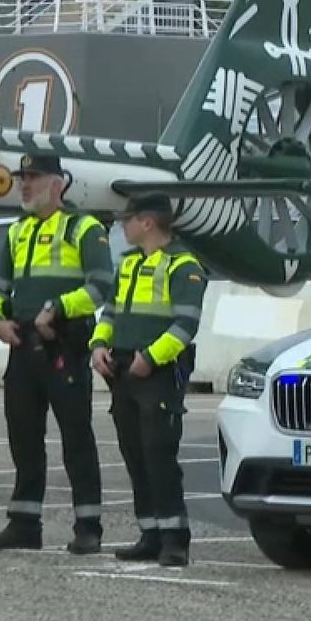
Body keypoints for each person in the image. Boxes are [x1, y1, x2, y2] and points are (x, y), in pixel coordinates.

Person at [0, 154, 113, 554]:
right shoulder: (16, 233)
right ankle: (24, 523)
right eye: (23, 178)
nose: (24, 185)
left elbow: (101, 286)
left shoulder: (84, 228)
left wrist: (58, 307)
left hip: (63, 346)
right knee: (23, 437)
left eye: (33, 178)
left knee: (77, 439)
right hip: (22, 348)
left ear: (58, 184)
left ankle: (88, 526)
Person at [89, 193, 207, 567]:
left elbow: (186, 325)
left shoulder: (183, 265)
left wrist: (151, 357)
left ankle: (175, 539)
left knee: (159, 455)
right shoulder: (128, 265)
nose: (122, 227)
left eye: (128, 220)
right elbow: (110, 312)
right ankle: (150, 533)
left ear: (148, 223)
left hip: (157, 373)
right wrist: (98, 345)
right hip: (122, 370)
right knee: (134, 453)